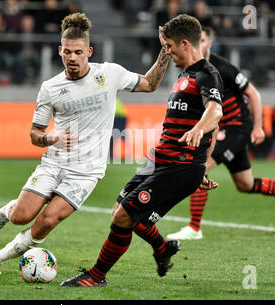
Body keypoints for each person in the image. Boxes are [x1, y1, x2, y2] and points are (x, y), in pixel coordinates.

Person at [0, 12, 171, 274]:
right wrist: (51, 137)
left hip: (86, 171)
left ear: (89, 52)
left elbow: (150, 84)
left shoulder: (110, 74)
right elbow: (35, 134)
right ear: (60, 51)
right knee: (22, 217)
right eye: (68, 52)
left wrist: (165, 52)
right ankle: (9, 210)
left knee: (48, 221)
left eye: (78, 52)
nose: (72, 57)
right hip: (55, 162)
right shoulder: (50, 87)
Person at [60, 14, 223, 287]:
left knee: (126, 215)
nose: (168, 52)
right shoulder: (186, 74)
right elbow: (211, 127)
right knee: (119, 212)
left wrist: (198, 140)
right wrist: (203, 164)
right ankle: (162, 249)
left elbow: (215, 113)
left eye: (170, 46)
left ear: (185, 44)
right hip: (161, 161)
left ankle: (96, 276)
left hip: (179, 166)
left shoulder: (208, 74)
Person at [167, 26, 275, 241]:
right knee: (245, 184)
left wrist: (259, 126)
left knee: (199, 168)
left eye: (203, 40)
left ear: (208, 43)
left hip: (237, 127)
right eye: (198, 39)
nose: (200, 43)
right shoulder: (193, 70)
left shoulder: (222, 67)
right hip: (221, 130)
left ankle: (194, 227)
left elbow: (253, 92)